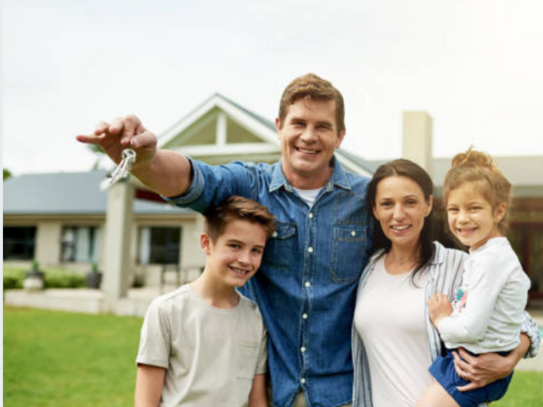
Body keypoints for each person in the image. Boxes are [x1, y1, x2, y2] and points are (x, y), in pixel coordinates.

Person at [77, 73, 371, 407]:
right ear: (279, 126)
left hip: (346, 395)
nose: (308, 136)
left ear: (340, 135)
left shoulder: (371, 200)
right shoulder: (248, 184)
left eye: (322, 126)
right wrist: (148, 160)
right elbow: (192, 179)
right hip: (270, 392)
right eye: (298, 123)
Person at [351, 159, 540, 407]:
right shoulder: (367, 269)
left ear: (429, 205)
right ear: (375, 210)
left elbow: (523, 320)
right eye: (387, 204)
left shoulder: (461, 265)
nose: (398, 214)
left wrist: (508, 361)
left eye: (410, 202)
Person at [135, 196, 275, 407]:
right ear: (206, 243)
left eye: (256, 250)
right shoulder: (166, 310)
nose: (246, 259)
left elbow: (257, 401)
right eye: (235, 246)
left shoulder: (255, 317)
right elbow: (146, 402)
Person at [417, 149, 532, 407]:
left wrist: (442, 319)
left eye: (474, 208)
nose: (462, 218)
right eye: (454, 209)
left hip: (475, 364)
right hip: (471, 359)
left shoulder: (489, 260)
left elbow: (470, 329)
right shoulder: (485, 254)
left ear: (499, 212)